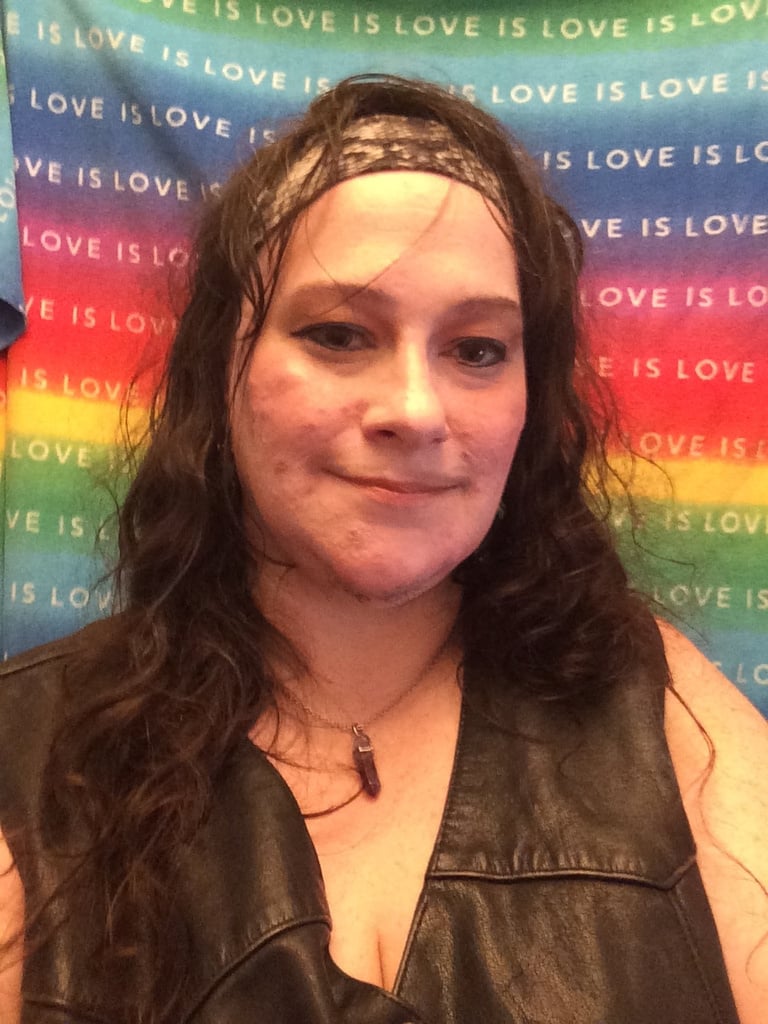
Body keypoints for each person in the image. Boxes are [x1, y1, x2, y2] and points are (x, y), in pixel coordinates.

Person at [0, 74, 766, 1024]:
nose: (415, 410)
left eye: (479, 349)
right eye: (338, 333)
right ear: (218, 375)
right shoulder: (30, 752)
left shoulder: (659, 707)